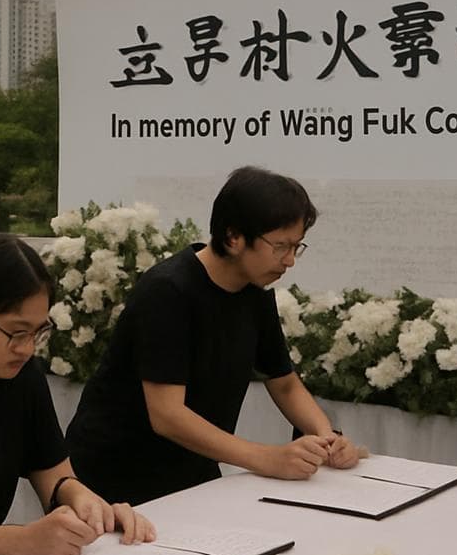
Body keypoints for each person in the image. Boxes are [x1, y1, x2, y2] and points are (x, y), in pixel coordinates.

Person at [66, 166, 362, 505]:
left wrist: (328, 438)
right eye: (280, 246)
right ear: (233, 237)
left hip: (191, 470)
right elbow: (167, 415)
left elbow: (284, 382)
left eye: (297, 246)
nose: (290, 260)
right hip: (113, 478)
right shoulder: (168, 291)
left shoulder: (255, 289)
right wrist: (267, 458)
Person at [0, 233, 155, 555]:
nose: (27, 349)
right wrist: (16, 540)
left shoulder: (20, 376)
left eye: (38, 331)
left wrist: (86, 503)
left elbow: (52, 473)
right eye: (15, 332)